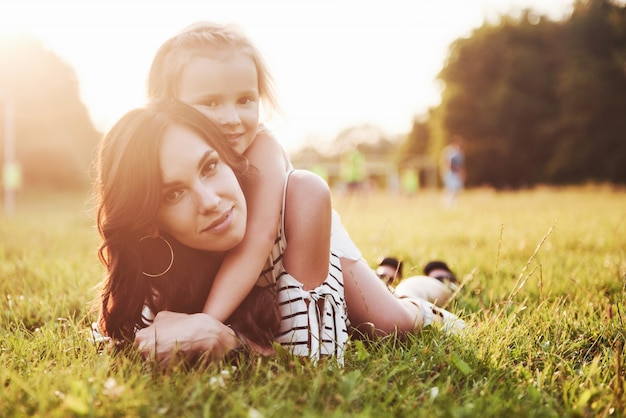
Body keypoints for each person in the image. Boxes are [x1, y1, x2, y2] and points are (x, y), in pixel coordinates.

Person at [144, 20, 465, 350]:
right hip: (263, 270)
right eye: (211, 102)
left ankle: (429, 288)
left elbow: (258, 238)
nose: (233, 118)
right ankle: (383, 274)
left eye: (245, 99)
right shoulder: (165, 162)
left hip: (312, 245)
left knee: (385, 322)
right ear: (167, 105)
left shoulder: (262, 148)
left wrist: (206, 323)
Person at [440, 135, 466, 207]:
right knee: (451, 189)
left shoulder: (460, 152)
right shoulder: (449, 151)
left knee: (456, 189)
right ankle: (447, 204)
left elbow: (461, 164)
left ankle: (453, 204)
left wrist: (462, 172)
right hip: (450, 173)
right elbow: (447, 162)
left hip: (457, 173)